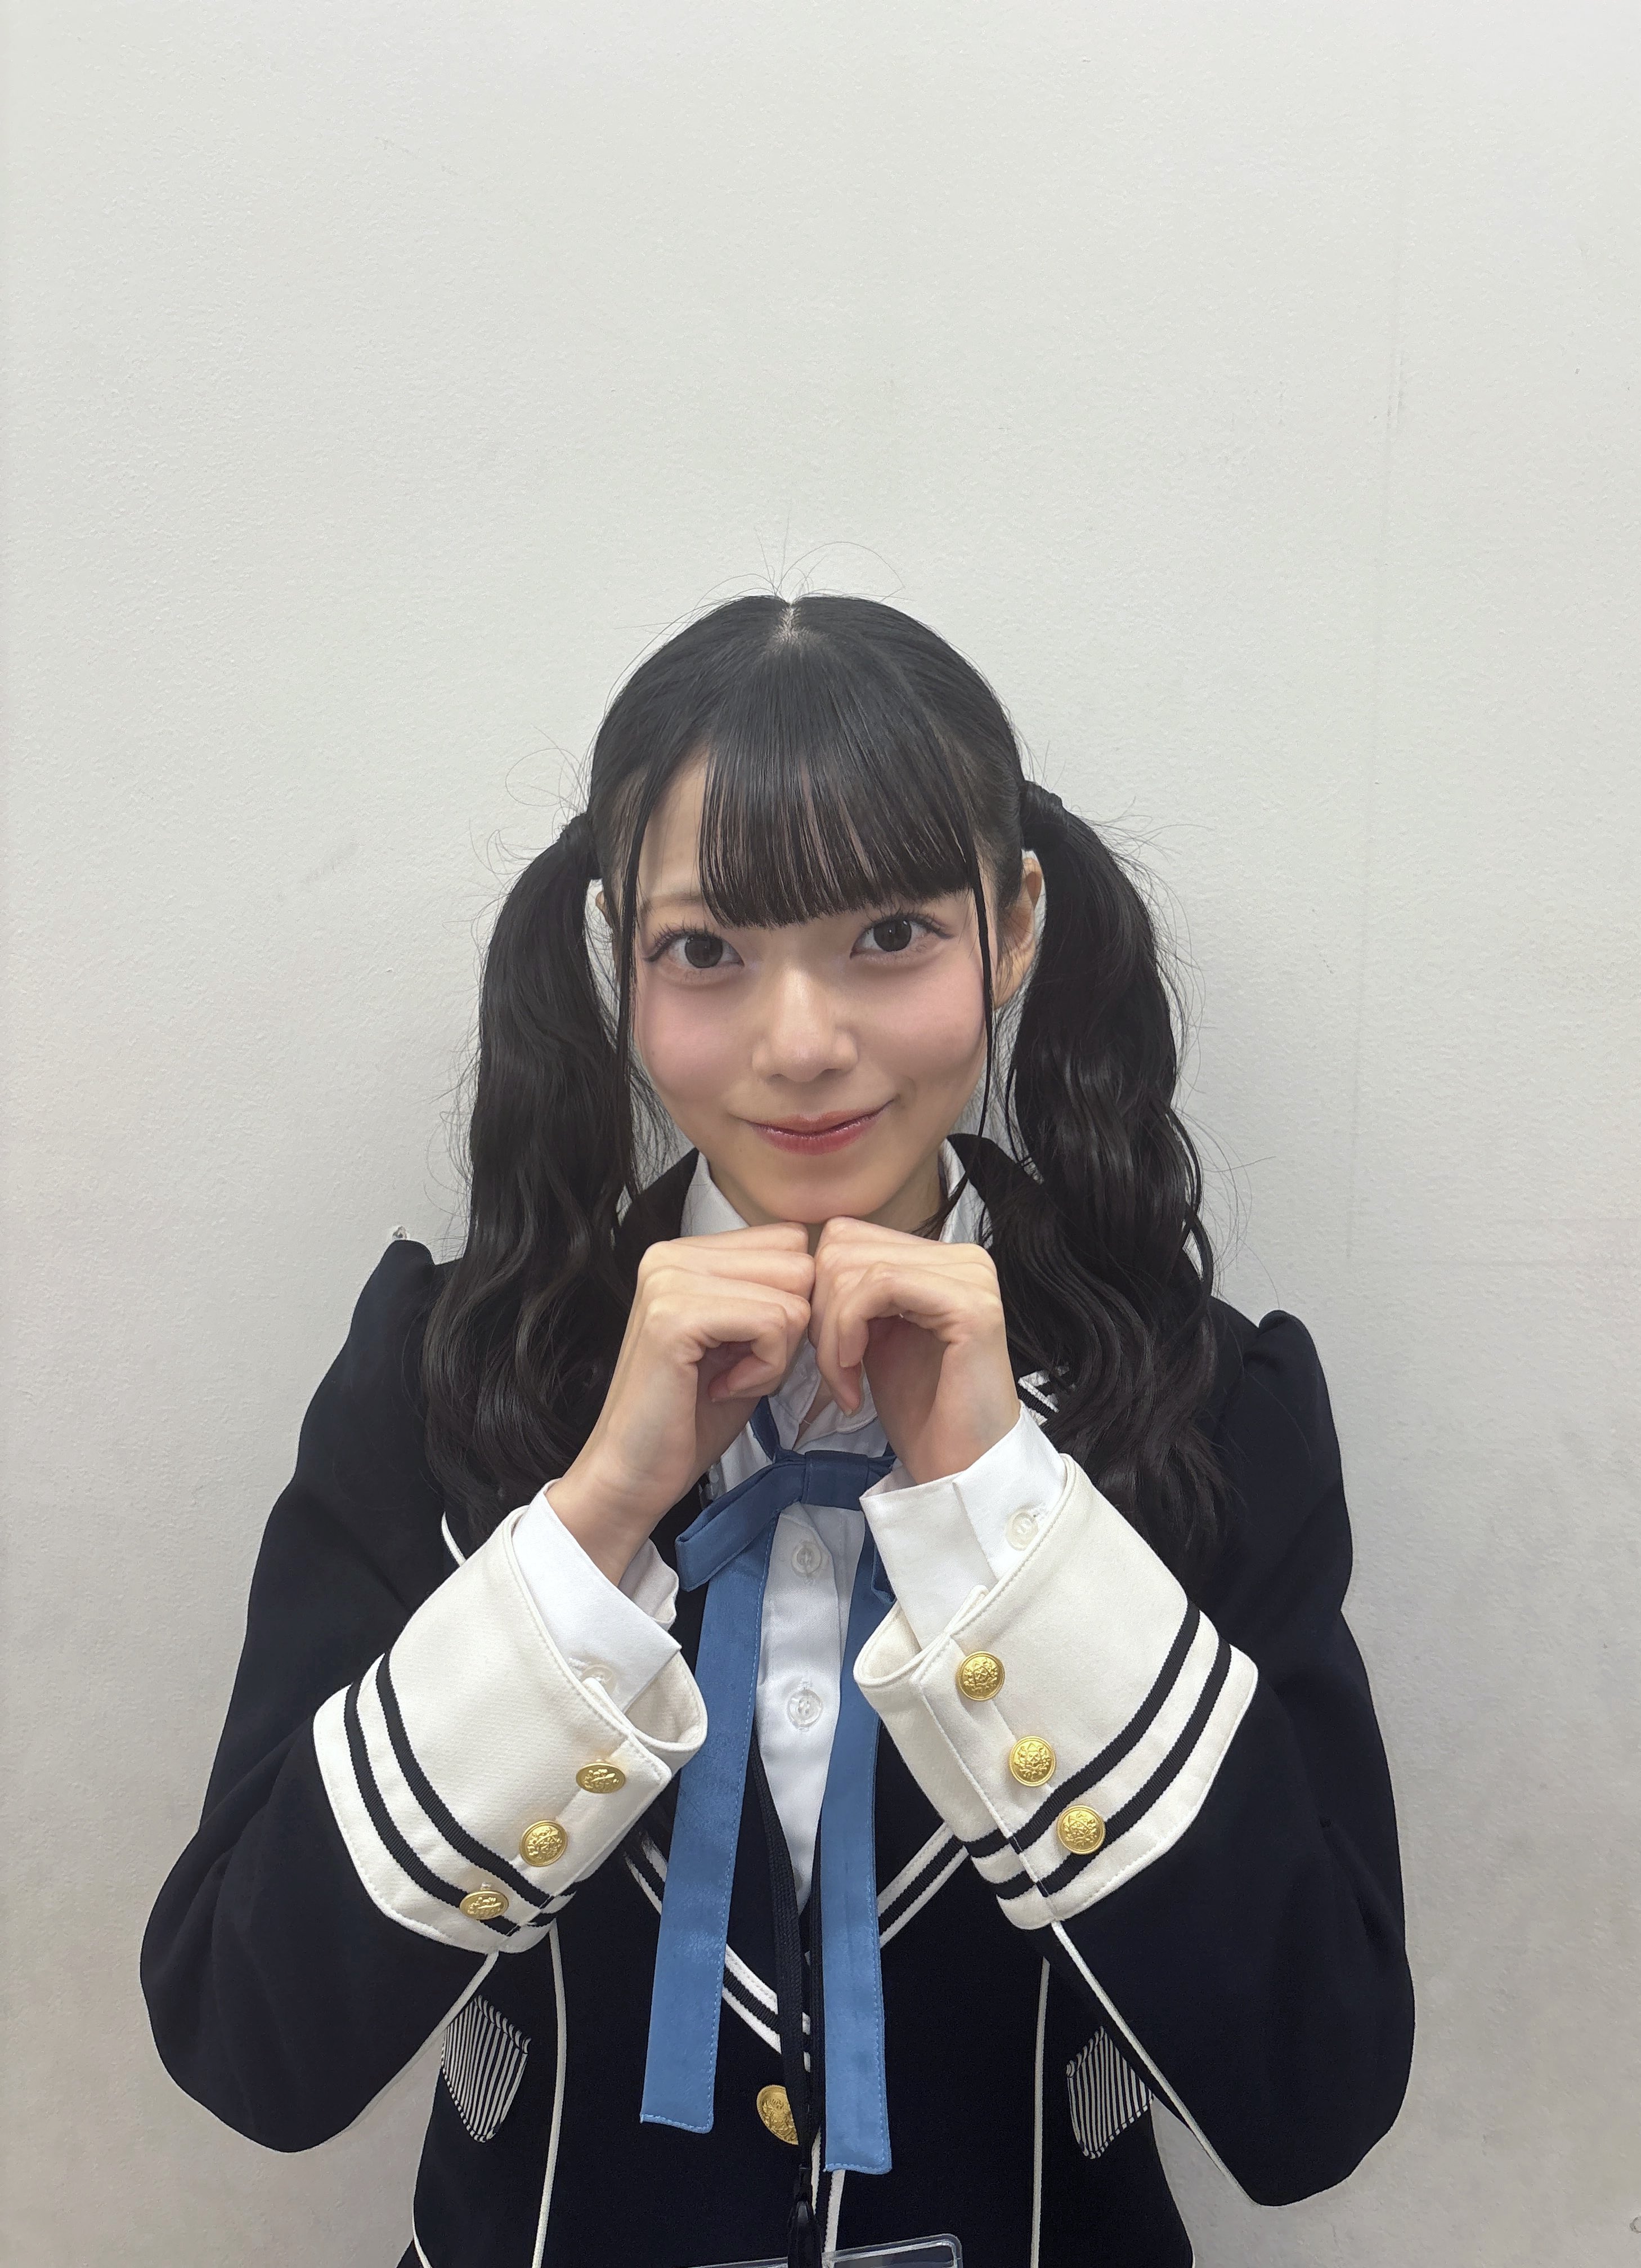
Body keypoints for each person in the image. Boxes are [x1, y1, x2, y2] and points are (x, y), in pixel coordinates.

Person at [142, 594, 1414, 2268]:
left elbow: (1314, 2097)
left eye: (891, 934)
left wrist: (1002, 1521)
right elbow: (250, 2043)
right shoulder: (444, 1384)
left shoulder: (1202, 1410)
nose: (801, 1044)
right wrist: (592, 1520)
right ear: (618, 952)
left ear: (1015, 929)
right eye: (707, 951)